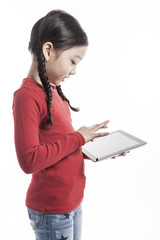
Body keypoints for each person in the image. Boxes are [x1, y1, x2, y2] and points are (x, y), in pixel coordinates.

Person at [12, 10, 126, 240]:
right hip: (52, 210)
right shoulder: (26, 97)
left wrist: (90, 149)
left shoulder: (53, 91)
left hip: (71, 203)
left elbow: (55, 147)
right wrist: (78, 138)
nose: (74, 71)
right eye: (73, 61)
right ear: (48, 50)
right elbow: (29, 160)